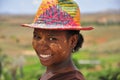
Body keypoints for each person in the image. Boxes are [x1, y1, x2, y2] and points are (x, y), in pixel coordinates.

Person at [21, 0, 93, 80]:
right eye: (37, 36)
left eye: (52, 39)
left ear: (72, 41)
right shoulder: (49, 74)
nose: (41, 46)